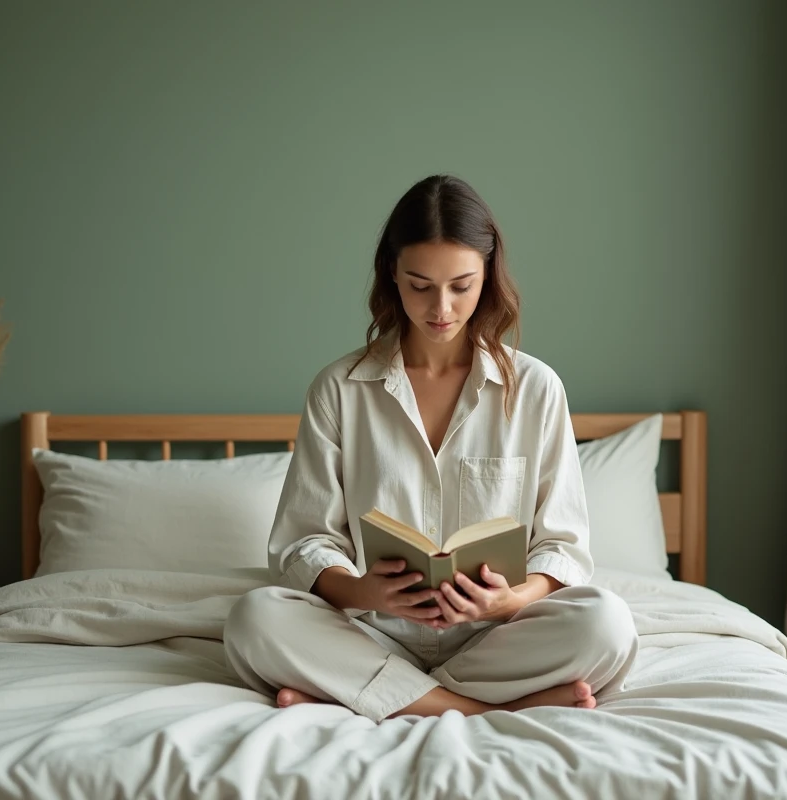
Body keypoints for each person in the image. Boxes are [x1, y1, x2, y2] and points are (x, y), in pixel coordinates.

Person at [224, 174, 637, 722]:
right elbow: (305, 542)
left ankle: (367, 695)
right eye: (420, 285)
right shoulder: (339, 388)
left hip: (497, 640)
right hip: (371, 634)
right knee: (256, 619)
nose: (441, 308)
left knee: (606, 624)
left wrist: (509, 600)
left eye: (461, 286)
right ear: (392, 274)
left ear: (487, 276)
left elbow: (562, 545)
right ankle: (469, 706)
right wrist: (364, 591)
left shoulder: (536, 389)